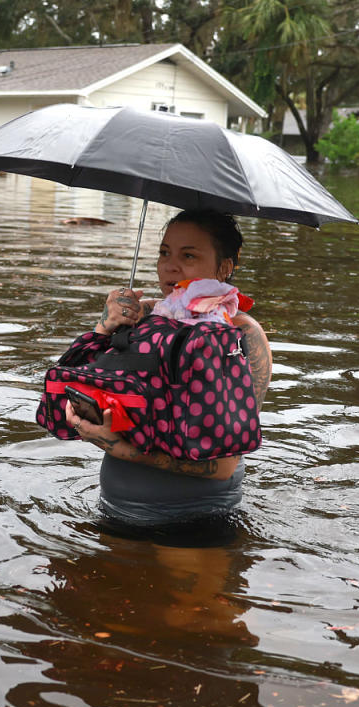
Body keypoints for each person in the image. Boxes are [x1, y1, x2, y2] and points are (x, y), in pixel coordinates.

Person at [64, 209, 272, 525]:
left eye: (188, 256)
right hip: (114, 509)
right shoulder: (143, 317)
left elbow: (223, 466)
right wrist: (105, 327)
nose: (169, 266)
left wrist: (119, 449)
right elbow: (76, 383)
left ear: (224, 267)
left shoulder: (241, 334)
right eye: (164, 253)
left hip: (196, 522)